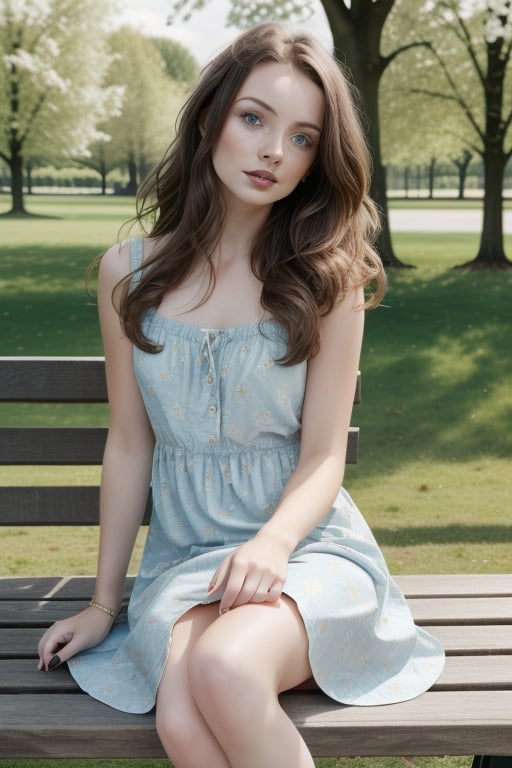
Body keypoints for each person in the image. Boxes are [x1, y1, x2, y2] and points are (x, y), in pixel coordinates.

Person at [38, 22, 444, 768]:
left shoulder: (329, 277)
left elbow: (323, 457)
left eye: (301, 138)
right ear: (209, 118)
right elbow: (129, 443)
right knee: (183, 716)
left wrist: (272, 543)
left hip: (307, 554)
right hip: (185, 557)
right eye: (254, 118)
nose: (272, 152)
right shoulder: (126, 274)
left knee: (222, 669)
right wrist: (102, 606)